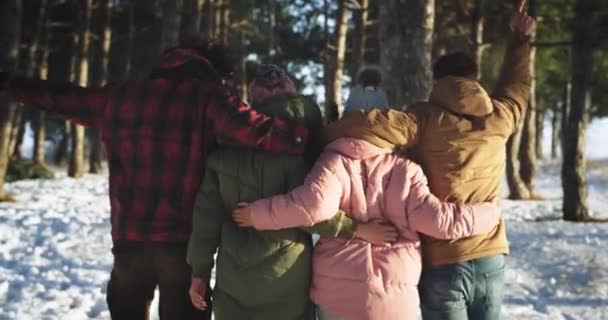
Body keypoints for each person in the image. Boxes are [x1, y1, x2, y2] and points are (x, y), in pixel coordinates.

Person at [0, 40, 312, 320]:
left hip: (129, 239)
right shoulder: (210, 97)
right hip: (182, 243)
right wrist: (312, 138)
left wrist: (13, 84)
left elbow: (61, 98)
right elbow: (256, 130)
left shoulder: (121, 97)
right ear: (207, 67)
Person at [321, 2, 535, 319]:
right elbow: (518, 86)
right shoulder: (500, 117)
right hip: (491, 256)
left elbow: (372, 124)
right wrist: (519, 39)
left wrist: (323, 133)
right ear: (475, 80)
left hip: (443, 262)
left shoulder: (423, 119)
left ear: (436, 81)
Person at [186, 64, 398, 320]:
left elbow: (205, 219)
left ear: (254, 97)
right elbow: (312, 210)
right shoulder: (311, 148)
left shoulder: (224, 152)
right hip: (289, 278)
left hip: (235, 281)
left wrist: (199, 272)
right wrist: (357, 229)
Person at [232, 135, 502, 320]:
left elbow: (310, 207)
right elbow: (442, 221)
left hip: (337, 296)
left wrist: (256, 215)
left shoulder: (333, 162)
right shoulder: (406, 169)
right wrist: (490, 213)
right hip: (394, 301)